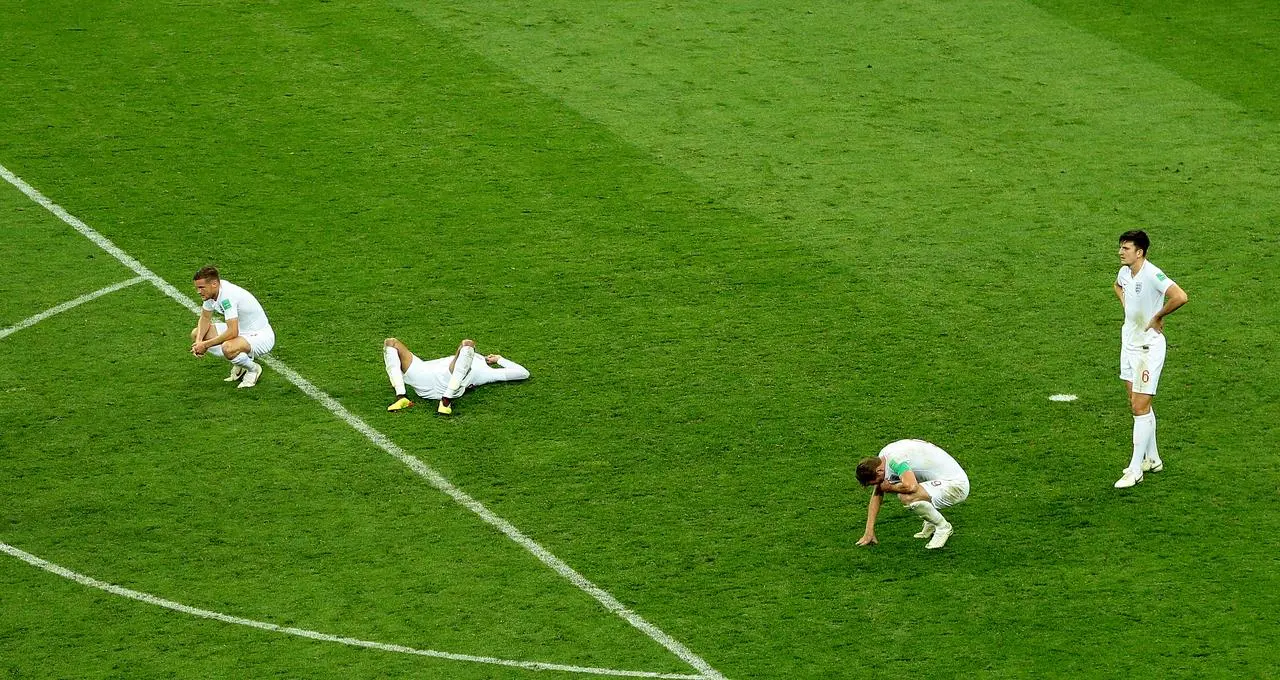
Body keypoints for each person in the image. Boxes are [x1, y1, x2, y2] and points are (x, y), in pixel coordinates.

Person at [1113, 230, 1188, 489]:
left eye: (1126, 248)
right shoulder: (1124, 272)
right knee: (1136, 404)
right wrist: (1127, 306)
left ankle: (1135, 469)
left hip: (1148, 348)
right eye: (1121, 247)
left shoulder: (1152, 274)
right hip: (1129, 345)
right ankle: (1152, 459)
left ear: (1140, 252)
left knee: (1139, 407)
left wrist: (1158, 316)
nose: (1121, 252)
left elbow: (1180, 296)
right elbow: (1118, 287)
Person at [854, 439, 970, 550]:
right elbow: (877, 494)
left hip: (956, 485)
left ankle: (943, 528)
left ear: (878, 471)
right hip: (942, 479)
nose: (876, 485)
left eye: (873, 482)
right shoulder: (883, 458)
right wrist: (869, 530)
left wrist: (891, 487)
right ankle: (931, 522)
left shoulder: (896, 462)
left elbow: (911, 486)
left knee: (907, 496)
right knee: (905, 489)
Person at [382, 337, 529, 414]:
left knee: (467, 344)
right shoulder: (462, 360)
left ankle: (446, 400)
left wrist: (499, 359)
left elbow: (523, 373)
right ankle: (401, 397)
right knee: (391, 343)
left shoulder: (487, 372)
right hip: (424, 376)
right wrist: (498, 360)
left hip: (448, 381)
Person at [190, 266, 275, 388]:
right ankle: (240, 362)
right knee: (197, 333)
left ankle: (253, 369)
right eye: (197, 288)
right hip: (241, 329)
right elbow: (205, 318)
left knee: (228, 348)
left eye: (201, 287)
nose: (198, 291)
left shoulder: (227, 297)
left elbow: (232, 332)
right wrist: (199, 341)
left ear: (214, 284)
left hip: (260, 335)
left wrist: (205, 345)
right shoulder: (213, 292)